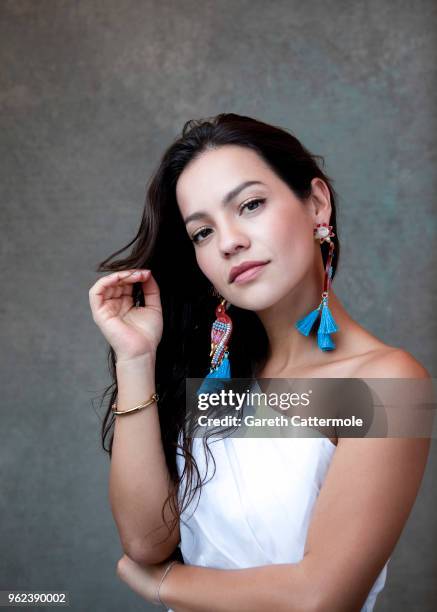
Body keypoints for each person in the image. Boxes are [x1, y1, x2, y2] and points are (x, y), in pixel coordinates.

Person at [88, 113, 431, 611]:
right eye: (202, 233)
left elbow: (319, 599)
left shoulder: (387, 382)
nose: (229, 241)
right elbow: (146, 543)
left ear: (316, 204)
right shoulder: (220, 386)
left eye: (250, 205)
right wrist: (135, 359)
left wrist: (160, 585)